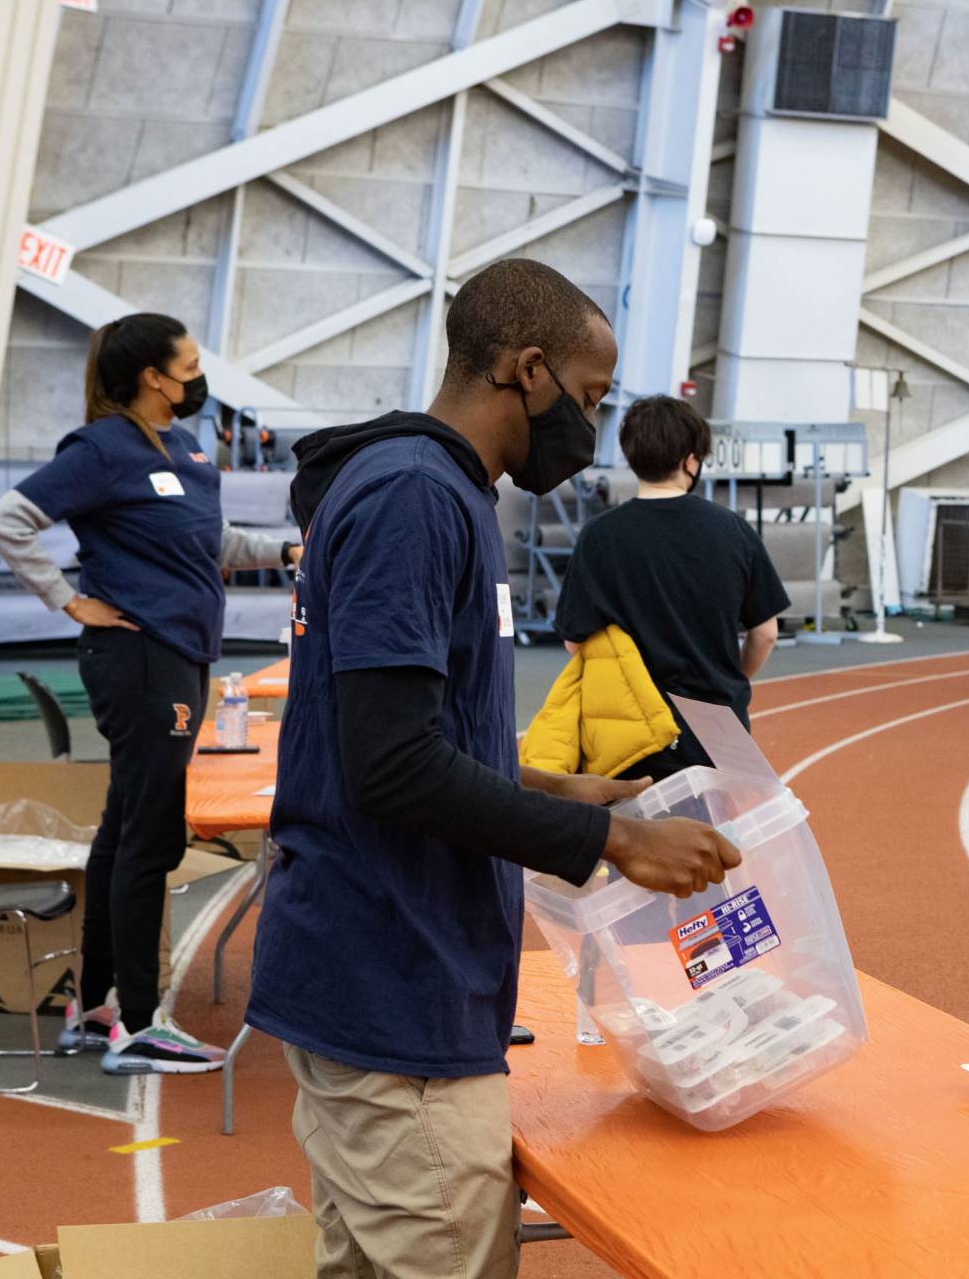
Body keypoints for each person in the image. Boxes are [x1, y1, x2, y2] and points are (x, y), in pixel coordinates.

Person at [246, 260, 740, 1279]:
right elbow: (391, 768)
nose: (594, 427)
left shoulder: (439, 491)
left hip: (393, 968)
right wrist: (613, 841)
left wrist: (557, 787)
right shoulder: (413, 499)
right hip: (391, 979)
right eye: (591, 398)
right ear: (527, 370)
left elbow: (397, 732)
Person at [0, 312, 299, 1074]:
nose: (198, 375)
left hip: (183, 653)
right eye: (188, 364)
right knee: (150, 838)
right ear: (154, 377)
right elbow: (8, 519)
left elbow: (210, 545)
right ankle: (139, 1024)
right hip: (140, 657)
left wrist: (288, 548)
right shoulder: (100, 449)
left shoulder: (187, 450)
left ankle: (93, 1010)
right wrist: (66, 598)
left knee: (123, 832)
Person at [547, 394, 790, 780]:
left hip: (631, 733)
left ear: (632, 456)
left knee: (630, 837)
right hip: (716, 727)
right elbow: (765, 634)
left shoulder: (599, 536)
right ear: (691, 459)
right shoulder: (734, 531)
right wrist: (733, 680)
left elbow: (575, 642)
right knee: (713, 837)